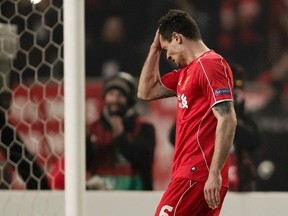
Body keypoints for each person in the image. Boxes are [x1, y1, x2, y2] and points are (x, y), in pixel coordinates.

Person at [137, 9, 237, 216]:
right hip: (195, 174)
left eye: (166, 48)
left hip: (197, 173)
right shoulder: (187, 72)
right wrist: (154, 48)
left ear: (177, 37)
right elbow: (145, 91)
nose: (168, 56)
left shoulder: (210, 65)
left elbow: (227, 118)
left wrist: (214, 173)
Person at [49, 72, 156, 190]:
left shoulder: (144, 127)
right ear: (104, 97)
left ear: (130, 99)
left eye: (120, 95)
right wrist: (84, 140)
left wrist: (121, 137)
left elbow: (145, 162)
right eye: (111, 94)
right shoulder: (93, 129)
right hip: (100, 197)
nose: (115, 99)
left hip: (137, 197)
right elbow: (83, 166)